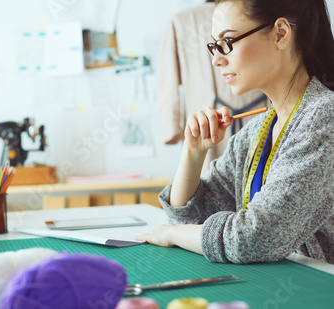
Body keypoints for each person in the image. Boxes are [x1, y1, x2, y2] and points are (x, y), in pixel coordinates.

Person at [136, 0, 334, 264]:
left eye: (227, 42)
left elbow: (256, 238)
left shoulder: (324, 118)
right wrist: (193, 154)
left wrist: (173, 234)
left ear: (281, 34)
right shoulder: (257, 130)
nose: (217, 60)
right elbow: (192, 219)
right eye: (213, 46)